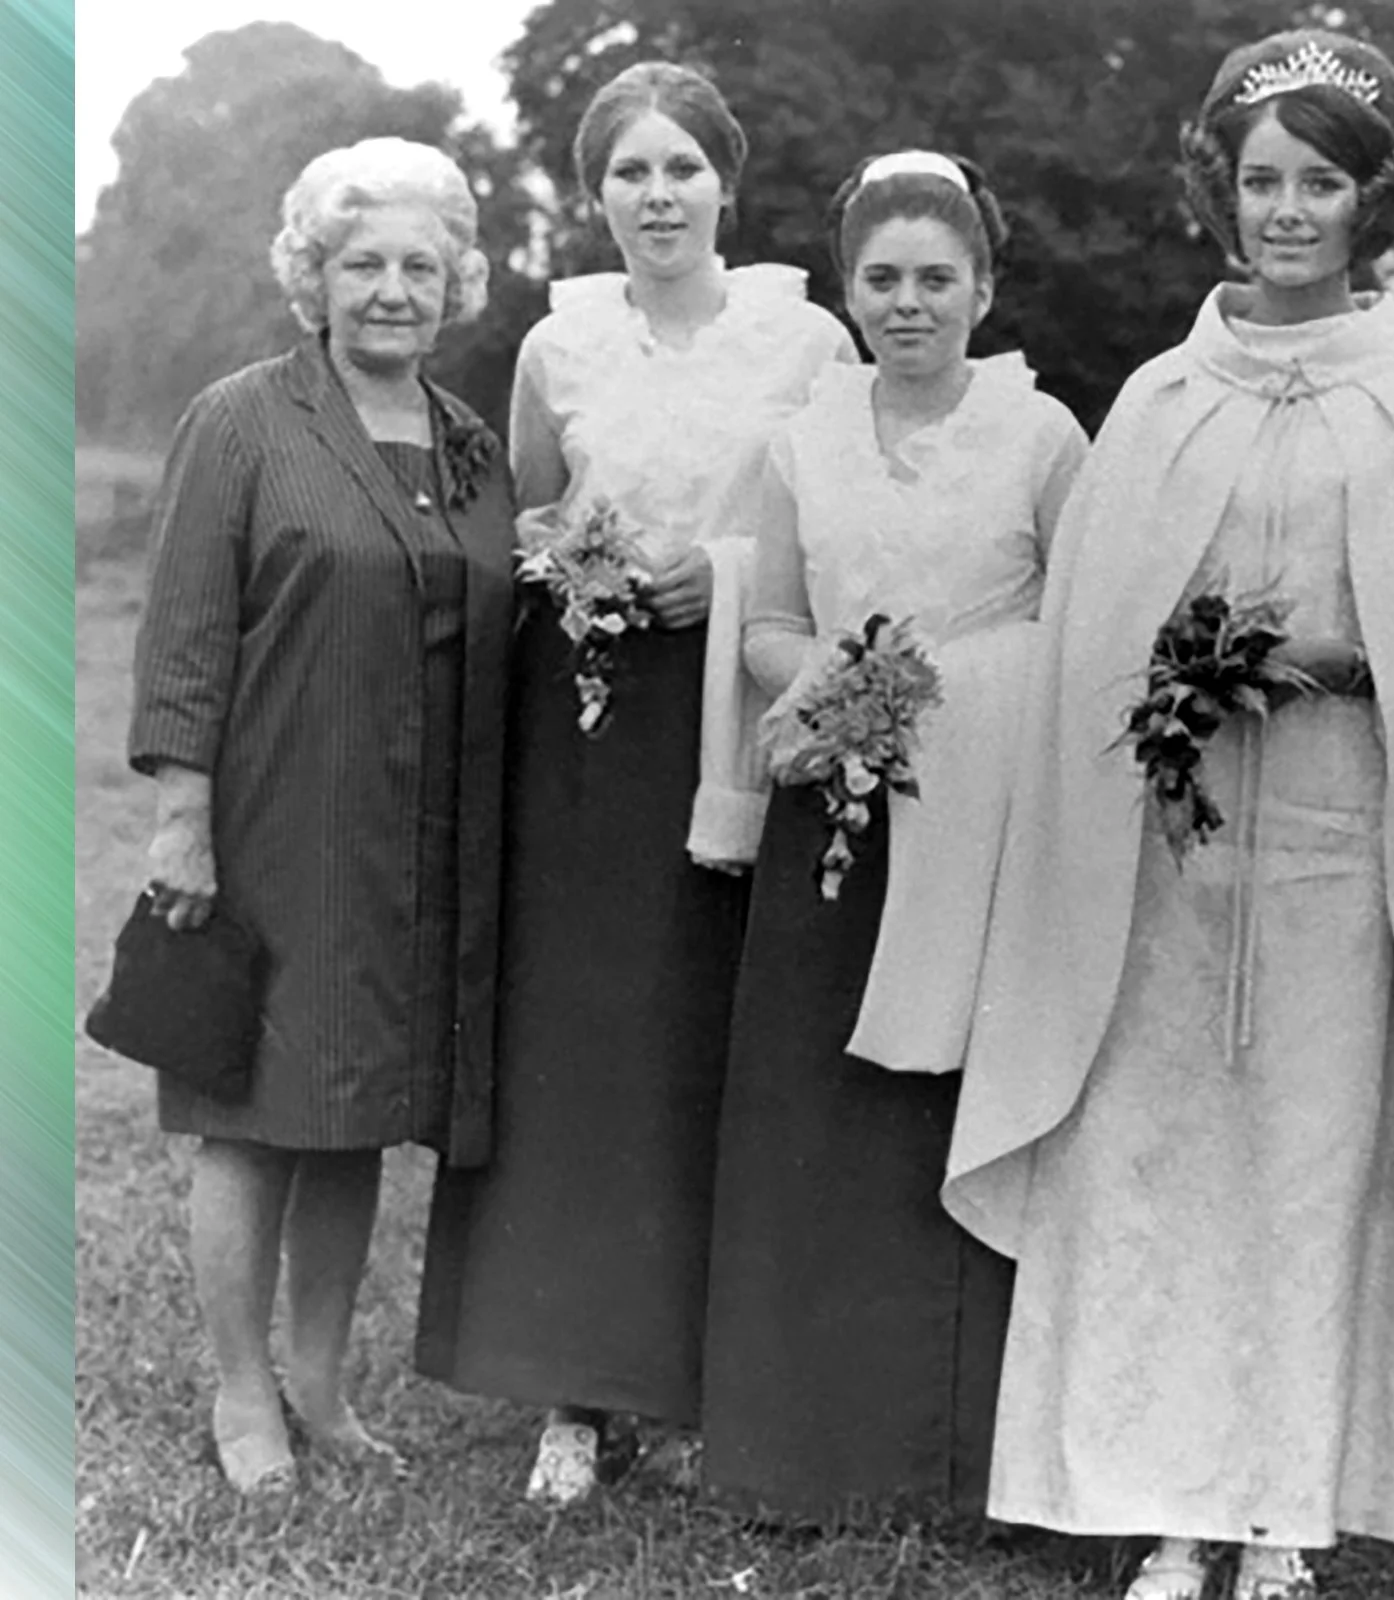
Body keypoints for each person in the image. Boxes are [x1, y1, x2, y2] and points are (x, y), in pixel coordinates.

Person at [943, 30, 1394, 1600]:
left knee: (1309, 1171)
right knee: (1166, 1159)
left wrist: (1324, 661)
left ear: (1370, 202)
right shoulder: (1160, 397)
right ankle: (1169, 1503)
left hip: (1341, 845)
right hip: (1169, 855)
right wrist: (1180, 663)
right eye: (1262, 181)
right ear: (1221, 192)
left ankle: (1284, 1516)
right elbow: (1099, 626)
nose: (1288, 212)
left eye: (1323, 183)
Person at [414, 61, 855, 1506]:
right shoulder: (562, 343)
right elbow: (530, 510)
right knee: (588, 1043)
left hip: (736, 709)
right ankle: (578, 1393)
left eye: (681, 169)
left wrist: (715, 576)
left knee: (711, 1039)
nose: (656, 198)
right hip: (591, 721)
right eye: (628, 174)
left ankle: (710, 1378)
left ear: (727, 184)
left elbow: (840, 529)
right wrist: (588, 570)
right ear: (591, 195)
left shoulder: (805, 339)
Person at [700, 150, 1087, 1522]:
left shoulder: (1044, 440)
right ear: (850, 289)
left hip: (985, 828)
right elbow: (766, 623)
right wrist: (840, 688)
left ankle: (970, 1458)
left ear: (984, 285)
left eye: (938, 277)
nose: (909, 303)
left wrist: (954, 691)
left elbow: (1087, 623)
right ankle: (815, 1445)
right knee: (824, 1113)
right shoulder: (800, 442)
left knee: (958, 1108)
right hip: (842, 820)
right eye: (883, 279)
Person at [126, 137, 514, 1494]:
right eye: (364, 263)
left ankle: (324, 1393)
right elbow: (182, 631)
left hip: (419, 839)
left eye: (421, 263)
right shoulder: (242, 419)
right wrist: (184, 819)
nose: (393, 290)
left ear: (457, 279)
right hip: (279, 815)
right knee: (253, 1113)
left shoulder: (472, 448)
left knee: (356, 1111)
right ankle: (243, 1401)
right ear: (315, 276)